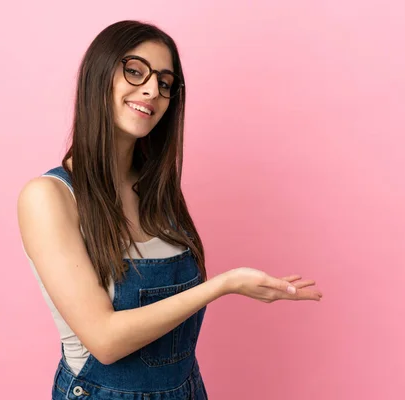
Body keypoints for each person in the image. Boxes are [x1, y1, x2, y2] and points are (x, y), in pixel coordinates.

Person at [17, 20, 323, 400]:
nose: (151, 90)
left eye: (164, 83)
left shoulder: (156, 190)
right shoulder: (49, 197)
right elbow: (105, 339)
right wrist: (223, 286)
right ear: (99, 75)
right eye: (134, 71)